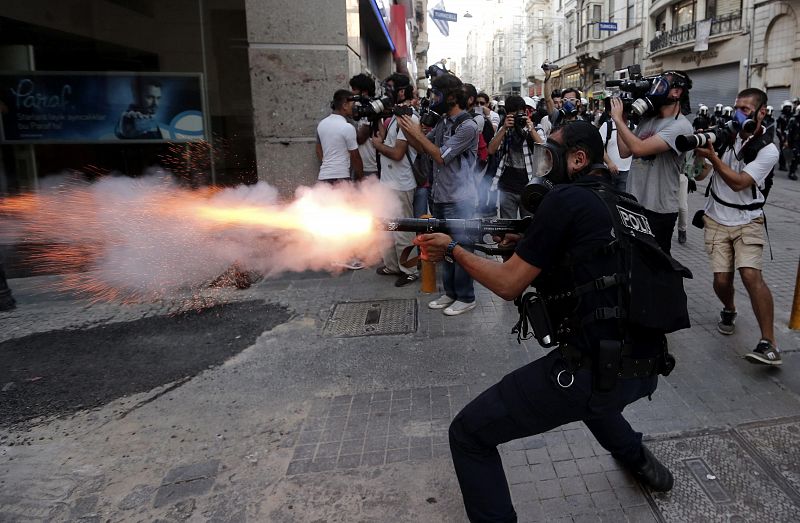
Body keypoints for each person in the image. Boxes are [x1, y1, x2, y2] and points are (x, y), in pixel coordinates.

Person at [414, 121, 679, 521]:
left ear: (577, 158)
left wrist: (452, 250)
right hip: (644, 365)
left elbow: (507, 286)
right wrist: (524, 245)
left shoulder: (566, 199)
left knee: (468, 434)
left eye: (550, 153)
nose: (544, 163)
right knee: (599, 402)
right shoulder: (624, 203)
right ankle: (641, 463)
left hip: (594, 370)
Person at [694, 88, 781, 365]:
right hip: (716, 218)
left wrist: (714, 157)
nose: (738, 113)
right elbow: (700, 175)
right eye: (737, 107)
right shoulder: (725, 136)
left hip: (748, 220)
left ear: (761, 112)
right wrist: (699, 155)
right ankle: (729, 308)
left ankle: (769, 343)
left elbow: (740, 182)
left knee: (750, 275)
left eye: (745, 108)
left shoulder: (768, 150)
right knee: (721, 280)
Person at [397, 73, 480, 316]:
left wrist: (418, 132)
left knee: (461, 249)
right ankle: (451, 293)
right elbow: (424, 148)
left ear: (452, 96)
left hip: (460, 199)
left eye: (437, 94)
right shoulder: (443, 122)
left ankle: (466, 296)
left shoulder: (468, 126)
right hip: (440, 196)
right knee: (445, 249)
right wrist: (408, 129)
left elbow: (441, 156)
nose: (433, 99)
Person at [610, 70, 693, 254]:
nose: (655, 89)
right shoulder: (648, 120)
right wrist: (622, 118)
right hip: (635, 204)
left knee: (657, 265)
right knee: (633, 259)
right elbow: (625, 152)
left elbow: (639, 149)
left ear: (676, 92)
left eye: (661, 84)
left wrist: (617, 119)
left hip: (659, 209)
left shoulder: (681, 126)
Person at [371, 73, 420, 287]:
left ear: (401, 91)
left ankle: (409, 269)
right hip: (388, 182)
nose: (386, 92)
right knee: (386, 227)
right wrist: (377, 119)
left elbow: (398, 153)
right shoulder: (396, 117)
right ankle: (392, 265)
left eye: (390, 88)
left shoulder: (409, 118)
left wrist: (377, 146)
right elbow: (387, 139)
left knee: (402, 230)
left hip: (401, 183)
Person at [316, 89, 364, 270]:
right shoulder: (347, 127)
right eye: (352, 104)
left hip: (324, 178)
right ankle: (347, 258)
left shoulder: (322, 124)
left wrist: (327, 164)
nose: (354, 108)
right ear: (344, 105)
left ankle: (332, 257)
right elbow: (355, 156)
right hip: (340, 179)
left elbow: (319, 149)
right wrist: (361, 179)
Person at [487, 95, 538, 225]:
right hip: (507, 187)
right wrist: (504, 128)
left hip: (529, 187)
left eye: (519, 112)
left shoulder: (534, 128)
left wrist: (530, 129)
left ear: (525, 112)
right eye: (513, 114)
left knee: (529, 227)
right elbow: (491, 150)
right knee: (507, 227)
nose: (517, 117)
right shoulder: (504, 129)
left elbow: (544, 149)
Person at [349, 73, 380, 179]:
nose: (352, 93)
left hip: (370, 168)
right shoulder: (358, 108)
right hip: (359, 165)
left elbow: (360, 138)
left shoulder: (370, 110)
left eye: (354, 89)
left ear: (364, 92)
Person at [598, 109, 632, 192]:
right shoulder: (607, 125)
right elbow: (599, 146)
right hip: (610, 171)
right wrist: (609, 163)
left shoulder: (633, 126)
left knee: (625, 201)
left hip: (628, 172)